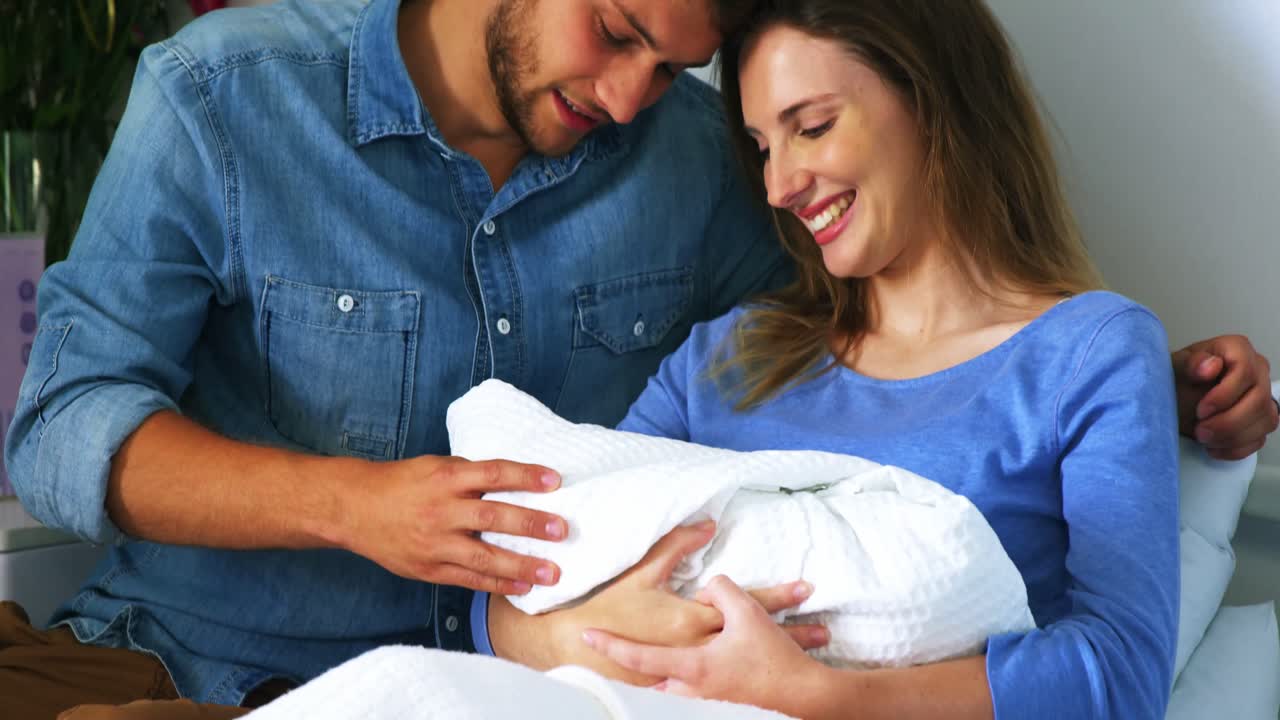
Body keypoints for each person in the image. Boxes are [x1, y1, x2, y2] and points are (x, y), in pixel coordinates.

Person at [0, 0, 1273, 717]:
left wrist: (1145, 400)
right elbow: (57, 425)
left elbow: (932, 356)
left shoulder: (697, 169)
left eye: (672, 67)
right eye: (613, 33)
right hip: (178, 663)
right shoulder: (228, 98)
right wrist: (351, 508)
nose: (627, 98)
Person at [574, 1, 1236, 718]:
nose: (777, 186)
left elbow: (1120, 675)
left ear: (932, 98)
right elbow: (565, 563)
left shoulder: (1091, 354)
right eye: (763, 147)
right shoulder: (727, 358)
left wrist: (825, 697)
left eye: (814, 127)